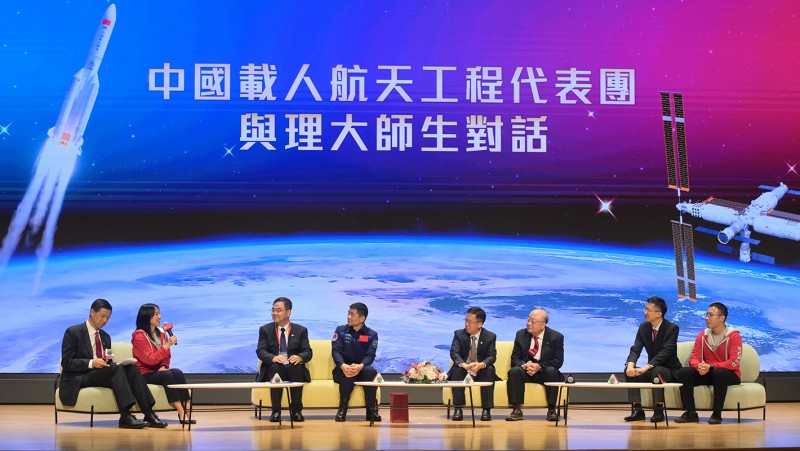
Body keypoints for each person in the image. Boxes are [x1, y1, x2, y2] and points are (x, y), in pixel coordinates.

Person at [58, 299, 167, 429]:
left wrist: (113, 363)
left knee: (132, 368)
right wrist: (92, 363)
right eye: (102, 316)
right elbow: (67, 362)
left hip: (99, 374)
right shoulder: (73, 332)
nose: (105, 321)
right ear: (92, 312)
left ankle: (148, 413)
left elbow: (107, 360)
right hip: (80, 376)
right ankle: (125, 416)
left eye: (108, 318)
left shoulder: (105, 336)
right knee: (116, 370)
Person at [675, 302, 742, 424]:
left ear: (722, 318)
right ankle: (691, 413)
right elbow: (694, 358)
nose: (707, 318)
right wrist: (699, 366)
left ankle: (717, 413)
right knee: (684, 372)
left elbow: (734, 362)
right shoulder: (703, 335)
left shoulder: (733, 336)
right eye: (706, 315)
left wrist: (711, 366)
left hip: (729, 374)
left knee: (720, 373)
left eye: (711, 315)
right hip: (709, 372)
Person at [131, 303, 193, 424]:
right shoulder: (139, 336)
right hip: (144, 374)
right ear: (147, 317)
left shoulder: (161, 334)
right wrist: (167, 345)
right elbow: (150, 360)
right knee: (167, 375)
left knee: (177, 373)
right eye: (156, 314)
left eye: (159, 313)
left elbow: (166, 356)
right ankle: (180, 411)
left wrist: (164, 366)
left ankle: (188, 411)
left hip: (158, 370)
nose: (160, 316)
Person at [623, 296, 681, 423]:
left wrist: (646, 367)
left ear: (659, 314)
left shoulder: (672, 328)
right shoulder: (644, 327)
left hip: (670, 370)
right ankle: (638, 410)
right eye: (645, 309)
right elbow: (636, 348)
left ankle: (658, 410)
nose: (645, 312)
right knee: (629, 372)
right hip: (652, 368)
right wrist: (631, 365)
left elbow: (665, 352)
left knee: (657, 371)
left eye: (648, 310)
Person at [255, 297, 313, 423]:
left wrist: (300, 357)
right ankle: (276, 411)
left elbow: (308, 352)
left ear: (288, 312)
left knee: (296, 367)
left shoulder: (300, 330)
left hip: (293, 367)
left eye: (279, 310)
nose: (274, 313)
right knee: (276, 368)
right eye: (273, 310)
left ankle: (296, 411)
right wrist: (273, 358)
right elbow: (261, 351)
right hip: (274, 367)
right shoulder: (265, 330)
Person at [505, 308, 564, 422]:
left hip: (544, 371)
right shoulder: (521, 334)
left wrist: (539, 366)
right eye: (528, 320)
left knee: (552, 371)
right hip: (526, 370)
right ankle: (516, 410)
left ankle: (552, 410)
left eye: (533, 321)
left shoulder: (556, 337)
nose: (528, 323)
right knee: (514, 371)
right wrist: (526, 365)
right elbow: (515, 359)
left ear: (543, 325)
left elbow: (558, 361)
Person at [447, 306, 500, 422]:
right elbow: (454, 352)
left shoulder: (490, 336)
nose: (466, 324)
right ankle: (458, 408)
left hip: (480, 370)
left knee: (489, 370)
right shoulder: (459, 334)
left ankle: (486, 410)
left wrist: (481, 365)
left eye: (469, 322)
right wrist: (464, 364)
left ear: (479, 324)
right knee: (457, 370)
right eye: (465, 320)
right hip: (465, 368)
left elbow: (491, 356)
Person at [331, 302, 380, 422]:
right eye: (348, 313)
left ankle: (371, 409)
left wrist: (360, 366)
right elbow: (335, 351)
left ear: (362, 318)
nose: (348, 317)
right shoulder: (341, 330)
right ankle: (342, 408)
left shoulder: (371, 335)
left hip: (362, 369)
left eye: (352, 314)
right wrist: (343, 365)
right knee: (348, 374)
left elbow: (370, 355)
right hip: (343, 369)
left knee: (370, 370)